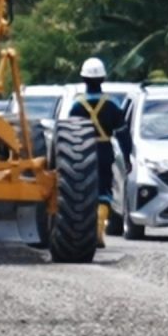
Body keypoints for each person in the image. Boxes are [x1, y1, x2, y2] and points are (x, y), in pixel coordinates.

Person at [67, 58, 129, 220]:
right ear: (103, 79)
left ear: (83, 79)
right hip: (104, 150)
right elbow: (123, 134)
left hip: (80, 153)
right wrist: (128, 158)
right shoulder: (113, 104)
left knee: (82, 190)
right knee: (104, 189)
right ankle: (99, 229)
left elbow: (69, 134)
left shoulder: (77, 105)